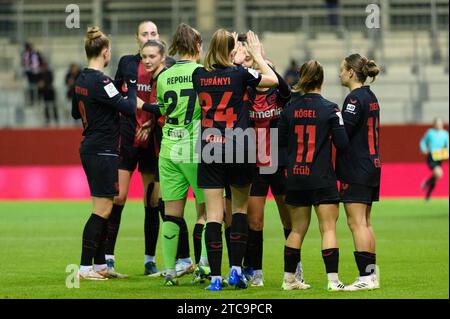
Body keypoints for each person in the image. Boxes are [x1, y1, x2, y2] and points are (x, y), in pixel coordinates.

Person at [192, 29, 278, 291]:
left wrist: (232, 57)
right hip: (239, 146)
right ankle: (236, 271)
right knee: (239, 211)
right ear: (232, 51)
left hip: (209, 147)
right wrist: (254, 54)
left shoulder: (199, 75)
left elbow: (215, 72)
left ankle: (215, 278)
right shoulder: (240, 74)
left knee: (214, 215)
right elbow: (272, 79)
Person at [71, 26, 137, 280]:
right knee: (102, 210)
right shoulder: (102, 81)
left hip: (91, 147)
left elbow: (76, 113)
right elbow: (130, 108)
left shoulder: (81, 80)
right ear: (106, 52)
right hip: (103, 150)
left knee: (103, 206)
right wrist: (131, 85)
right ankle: (85, 267)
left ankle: (100, 266)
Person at [278, 60, 349, 291]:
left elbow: (280, 142)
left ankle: (289, 279)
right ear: (322, 80)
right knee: (328, 228)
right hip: (321, 177)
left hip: (296, 176)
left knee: (297, 229)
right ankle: (333, 281)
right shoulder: (331, 109)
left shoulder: (288, 109)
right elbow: (342, 142)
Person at [153, 23, 205, 286]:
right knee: (206, 212)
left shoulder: (163, 76)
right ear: (196, 46)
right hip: (194, 148)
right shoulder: (202, 73)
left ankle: (171, 272)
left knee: (172, 214)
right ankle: (204, 267)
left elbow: (162, 109)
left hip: (168, 150)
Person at [242, 55, 292, 287]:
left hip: (279, 165)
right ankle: (256, 273)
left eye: (268, 68)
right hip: (255, 166)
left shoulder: (279, 97)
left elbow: (285, 88)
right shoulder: (247, 94)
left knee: (289, 220)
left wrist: (260, 57)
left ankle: (294, 270)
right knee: (255, 222)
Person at [336, 53, 381, 291]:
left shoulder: (353, 100)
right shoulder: (370, 96)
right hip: (372, 166)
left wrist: (333, 121)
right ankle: (372, 275)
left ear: (351, 72)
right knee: (365, 222)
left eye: (342, 69)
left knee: (356, 224)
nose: (339, 73)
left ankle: (365, 277)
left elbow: (343, 138)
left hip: (356, 168)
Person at [420, 117, 449, 200]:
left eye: (440, 123)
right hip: (431, 156)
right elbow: (423, 141)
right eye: (437, 123)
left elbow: (448, 145)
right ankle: (427, 183)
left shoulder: (445, 134)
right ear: (434, 124)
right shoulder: (430, 132)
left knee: (436, 177)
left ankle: (428, 194)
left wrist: (446, 151)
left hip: (439, 157)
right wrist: (423, 149)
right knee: (439, 174)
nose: (439, 125)